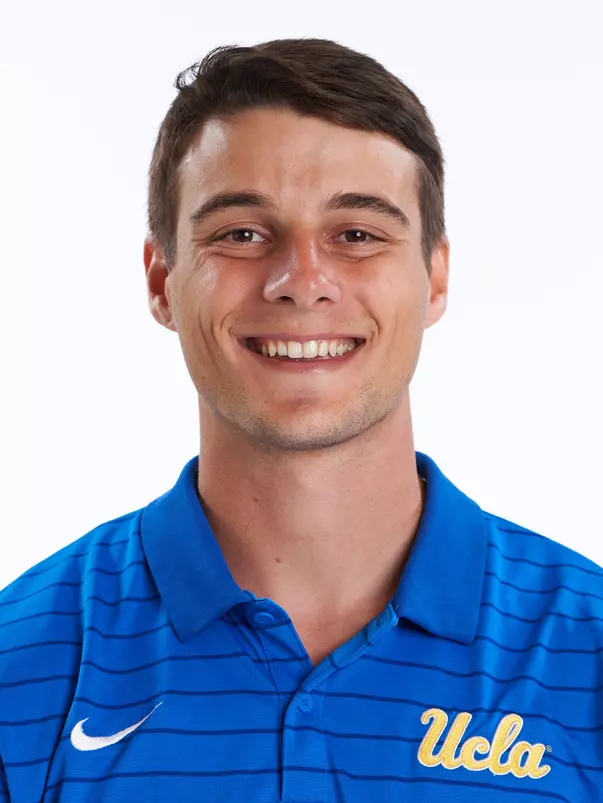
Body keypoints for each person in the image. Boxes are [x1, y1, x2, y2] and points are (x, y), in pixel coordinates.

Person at [0, 37, 601, 803]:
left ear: (434, 276)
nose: (301, 281)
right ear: (161, 279)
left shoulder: (586, 654)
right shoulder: (23, 666)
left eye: (356, 234)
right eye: (242, 234)